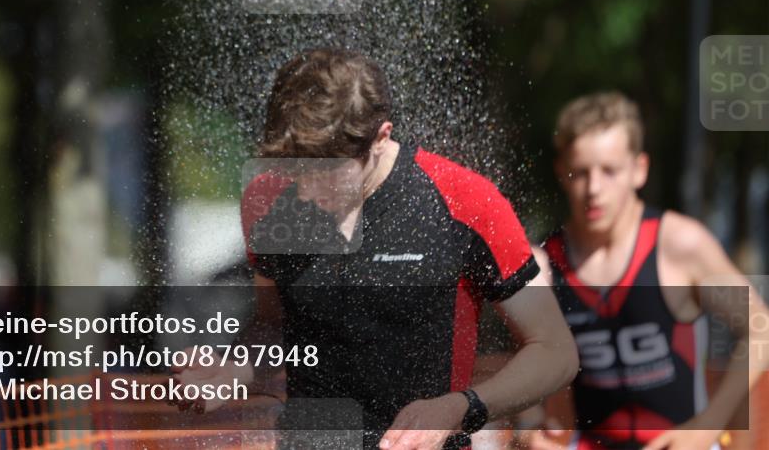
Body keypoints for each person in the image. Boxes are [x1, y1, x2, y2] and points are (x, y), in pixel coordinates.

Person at [172, 48, 578, 450]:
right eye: (297, 170)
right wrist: (237, 368)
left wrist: (461, 408)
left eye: (328, 172)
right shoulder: (269, 200)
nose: (306, 191)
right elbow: (274, 324)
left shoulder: (464, 202)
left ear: (381, 138)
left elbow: (556, 351)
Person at [517, 92, 769, 450]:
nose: (594, 189)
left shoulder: (680, 244)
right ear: (561, 171)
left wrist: (708, 425)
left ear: (640, 169)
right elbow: (529, 375)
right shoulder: (543, 266)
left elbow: (760, 329)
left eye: (610, 171)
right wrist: (528, 429)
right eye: (581, 172)